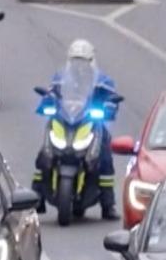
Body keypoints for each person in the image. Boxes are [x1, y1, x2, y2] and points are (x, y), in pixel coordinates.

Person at [33, 39, 121, 219]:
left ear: (91, 61)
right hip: (65, 119)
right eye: (75, 61)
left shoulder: (103, 81)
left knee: (105, 156)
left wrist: (109, 108)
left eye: (83, 61)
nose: (79, 65)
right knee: (44, 154)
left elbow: (111, 99)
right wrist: (46, 104)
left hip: (90, 122)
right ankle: (37, 197)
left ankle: (108, 204)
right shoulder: (60, 78)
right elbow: (51, 94)